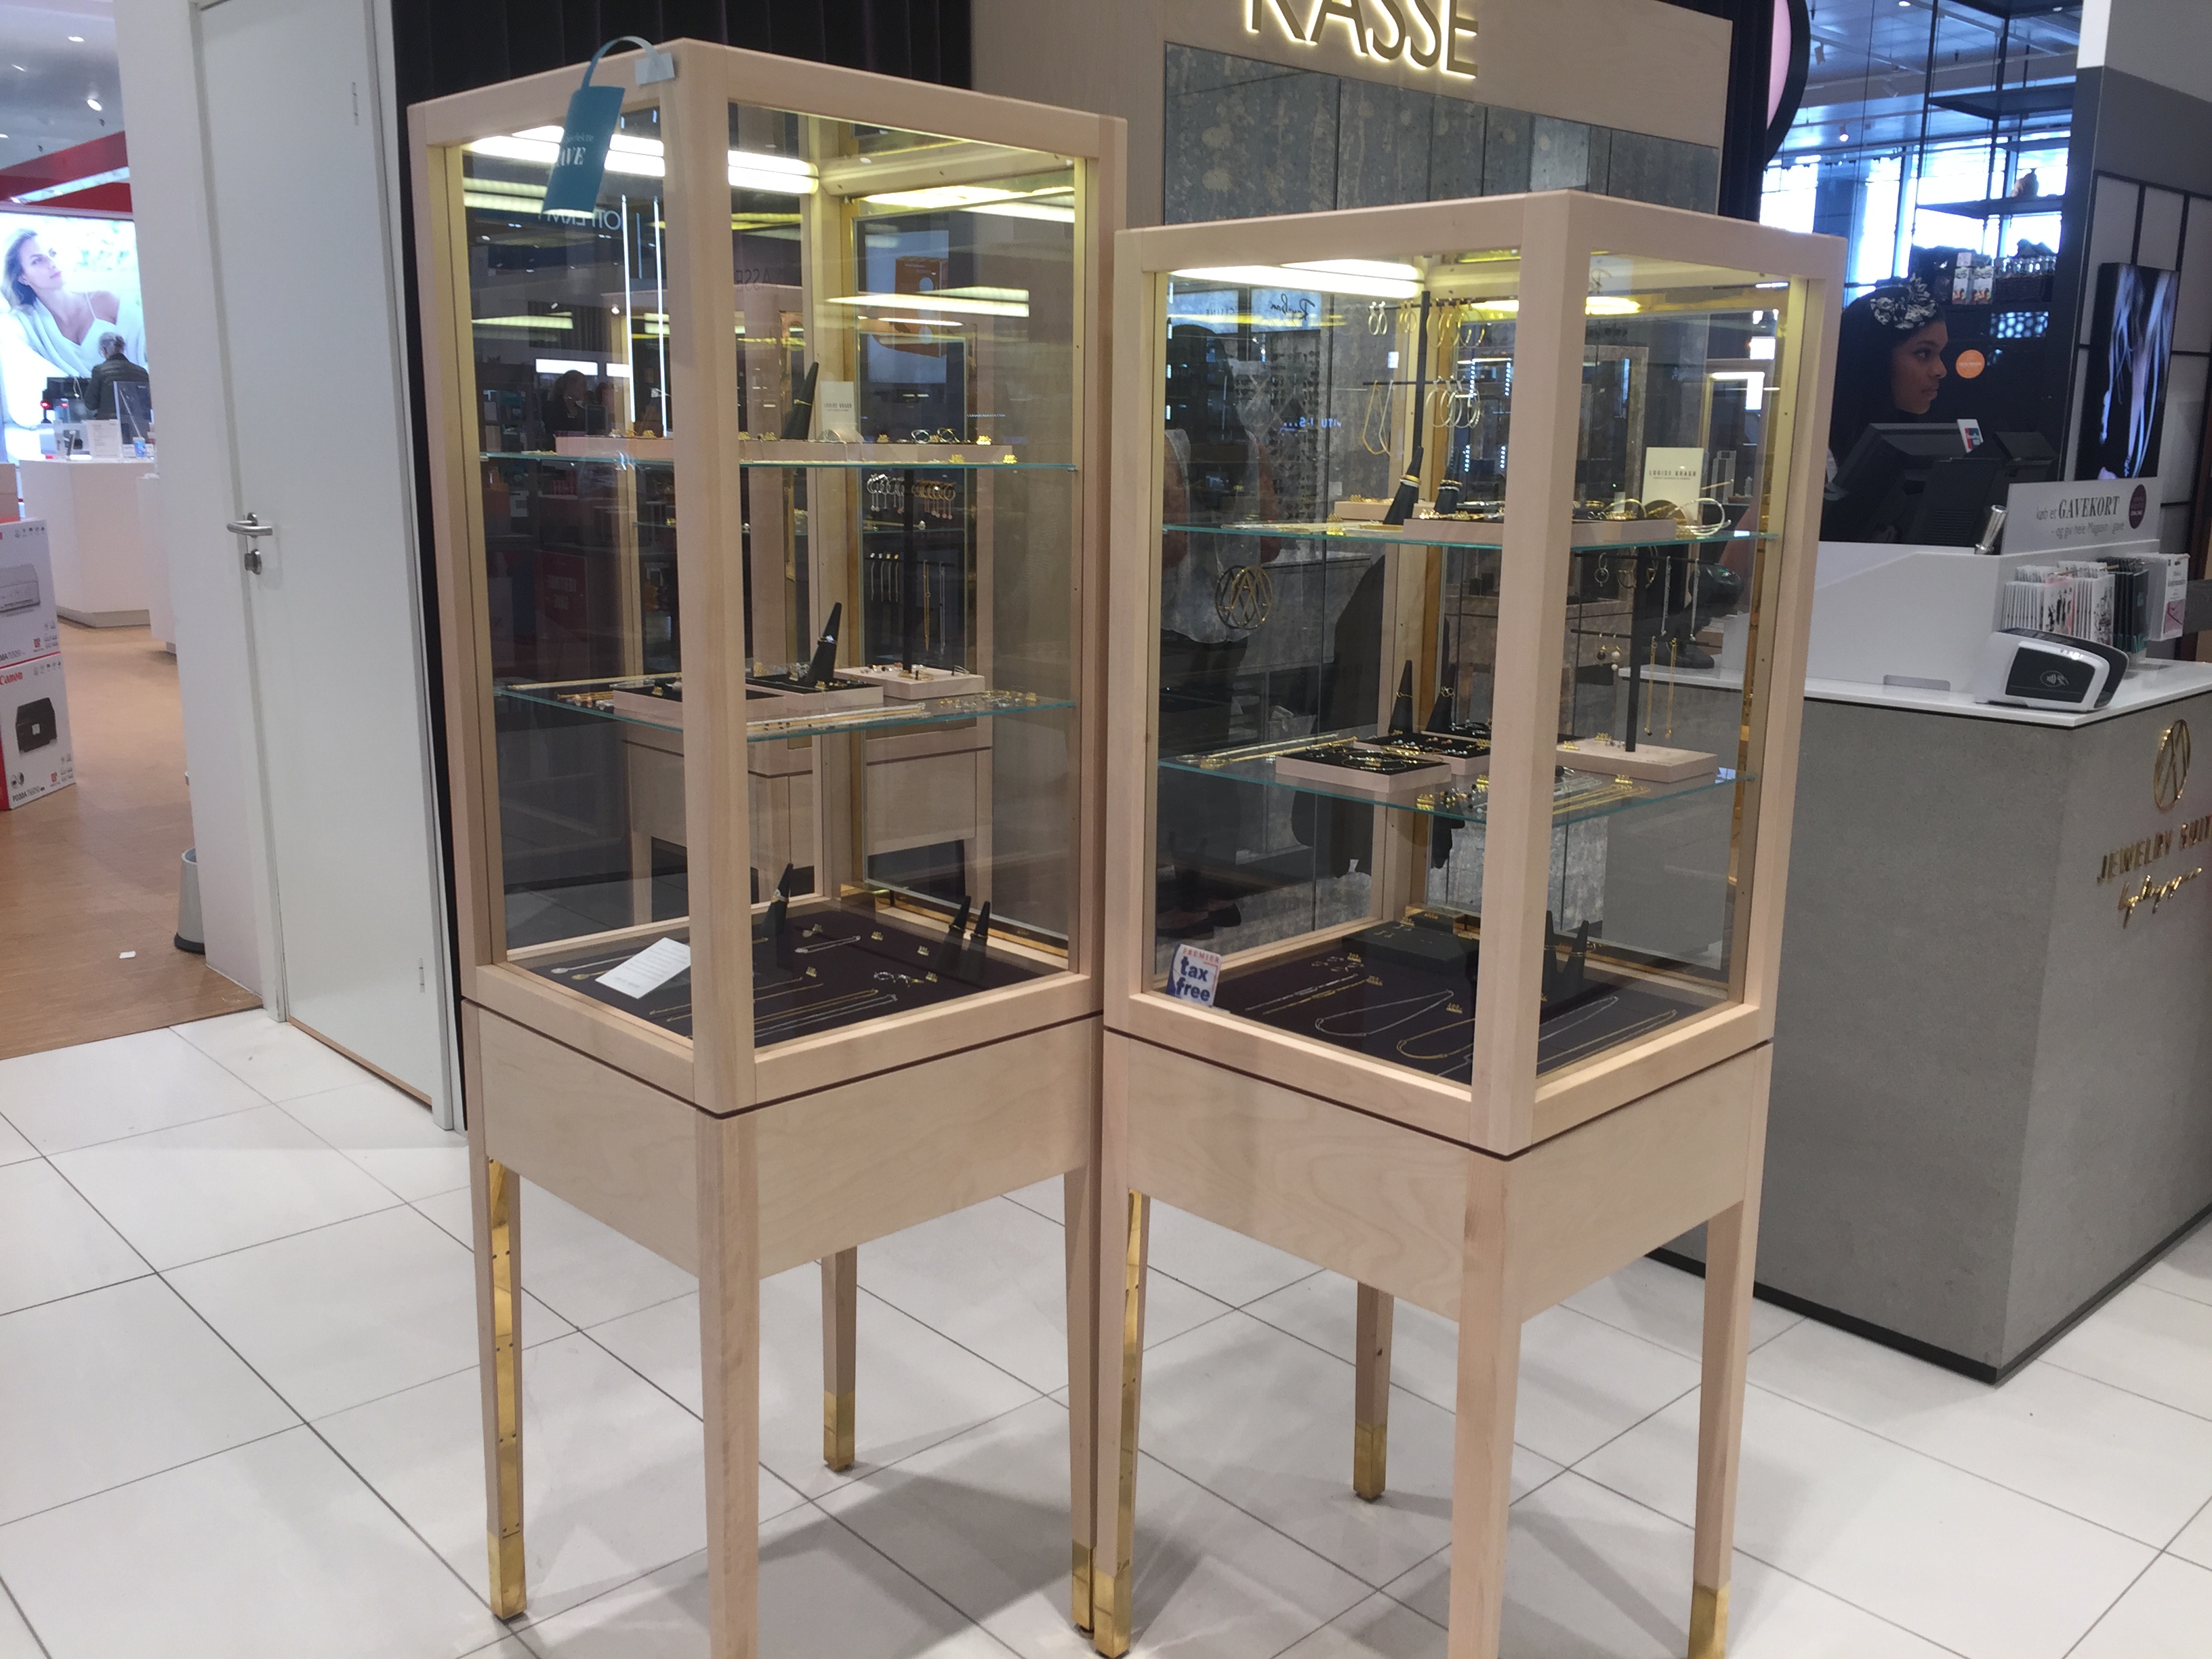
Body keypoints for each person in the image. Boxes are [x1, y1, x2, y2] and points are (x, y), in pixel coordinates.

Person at [1826, 275, 1948, 476]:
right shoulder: (1815, 450)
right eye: (1924, 353)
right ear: (1875, 357)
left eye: (1940, 354)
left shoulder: (1920, 443)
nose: (1940, 370)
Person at [3, 228, 144, 377]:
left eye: (52, 253)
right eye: (37, 261)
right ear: (22, 278)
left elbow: (152, 343)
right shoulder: (27, 323)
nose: (51, 263)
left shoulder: (105, 302)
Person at [88, 331, 149, 420]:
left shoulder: (99, 371)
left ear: (104, 350)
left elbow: (90, 404)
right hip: (139, 423)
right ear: (122, 348)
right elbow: (148, 402)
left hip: (109, 423)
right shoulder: (142, 372)